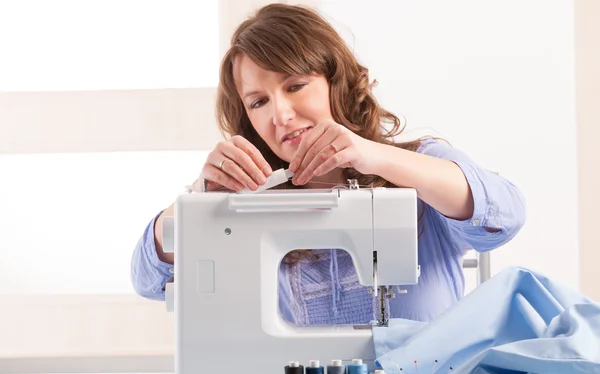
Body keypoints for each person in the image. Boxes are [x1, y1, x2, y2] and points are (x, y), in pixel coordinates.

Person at [130, 3, 525, 323]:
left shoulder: (420, 166)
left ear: (337, 81)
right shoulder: (248, 203)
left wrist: (378, 157)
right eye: (258, 102)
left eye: (295, 85)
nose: (280, 114)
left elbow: (505, 217)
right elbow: (149, 280)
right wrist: (199, 204)